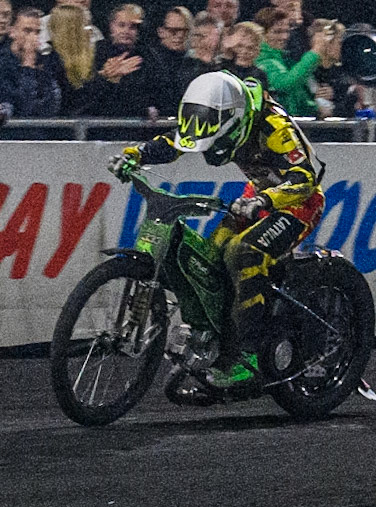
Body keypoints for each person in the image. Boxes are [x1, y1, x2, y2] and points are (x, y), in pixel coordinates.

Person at [112, 72, 325, 399]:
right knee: (212, 256)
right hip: (256, 196)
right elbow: (177, 141)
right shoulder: (219, 112)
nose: (212, 153)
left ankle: (248, 356)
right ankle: (218, 349)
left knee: (244, 254)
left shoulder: (275, 128)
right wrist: (136, 154)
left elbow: (306, 179)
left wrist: (265, 201)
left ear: (236, 126)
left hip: (296, 203)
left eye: (219, 144)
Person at [256, 5, 322, 118]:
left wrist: (316, 109)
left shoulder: (284, 59)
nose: (284, 37)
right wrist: (314, 52)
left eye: (286, 31)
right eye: (277, 32)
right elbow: (285, 84)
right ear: (261, 34)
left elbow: (297, 95)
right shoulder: (262, 60)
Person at [220, 20, 268, 87]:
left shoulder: (260, 75)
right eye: (239, 46)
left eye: (250, 48)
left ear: (257, 51)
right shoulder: (219, 69)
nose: (244, 51)